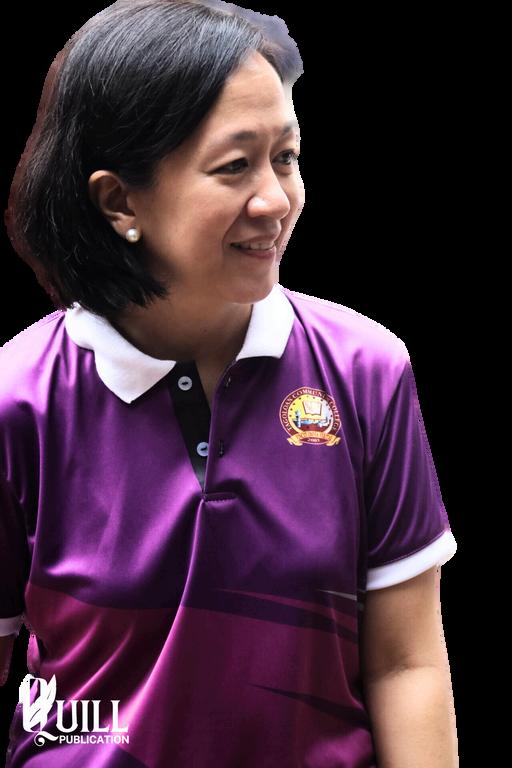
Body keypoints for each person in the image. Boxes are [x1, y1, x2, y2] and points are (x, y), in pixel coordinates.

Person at [1, 1, 459, 766]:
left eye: (287, 156)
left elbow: (404, 663)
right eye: (235, 166)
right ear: (120, 201)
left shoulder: (366, 373)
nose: (275, 200)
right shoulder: (19, 399)